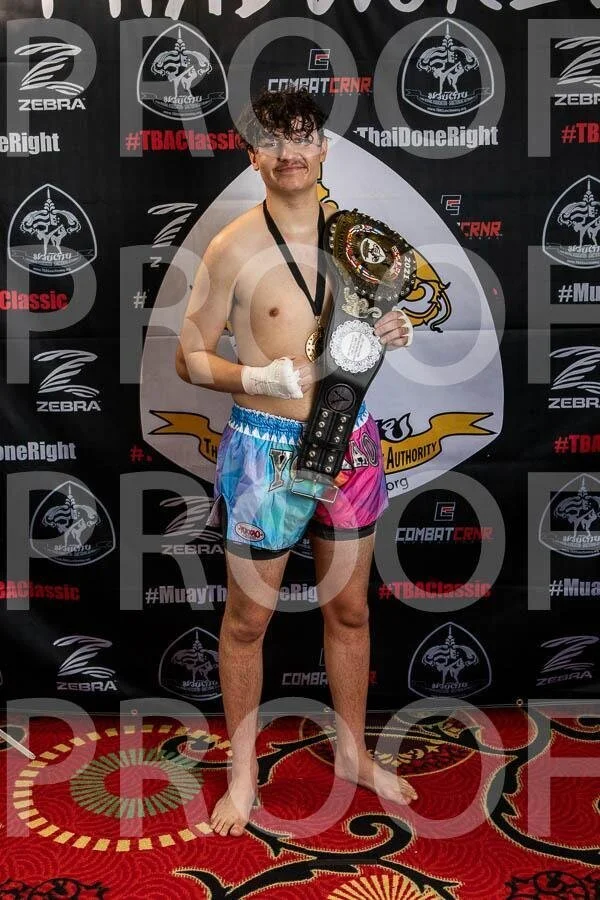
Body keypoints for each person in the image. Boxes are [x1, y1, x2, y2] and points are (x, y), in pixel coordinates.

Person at [177, 89, 416, 837]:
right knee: (248, 619)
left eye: (303, 137)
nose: (290, 152)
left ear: (323, 149)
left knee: (350, 608)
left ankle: (352, 751)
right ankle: (243, 773)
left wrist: (391, 327)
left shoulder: (358, 241)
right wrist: (256, 377)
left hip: (352, 446)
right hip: (263, 452)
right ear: (253, 154)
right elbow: (188, 358)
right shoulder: (230, 246)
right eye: (273, 140)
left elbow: (372, 325)